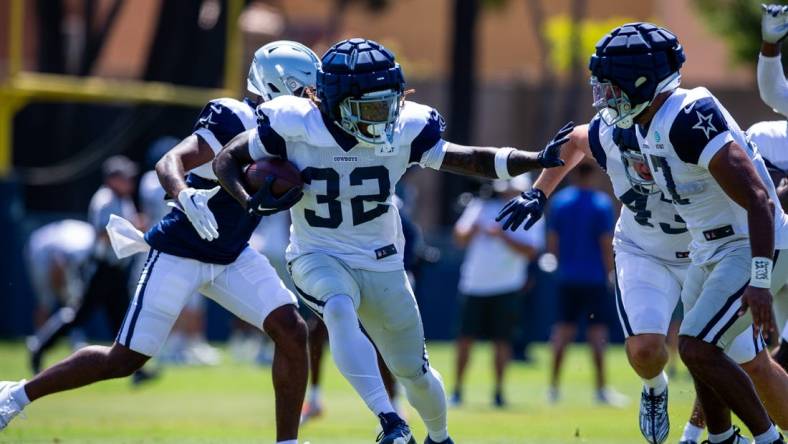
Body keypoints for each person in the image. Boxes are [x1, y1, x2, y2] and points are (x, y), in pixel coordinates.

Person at [213, 37, 572, 444]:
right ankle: (390, 421)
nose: (383, 116)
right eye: (370, 107)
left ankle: (439, 437)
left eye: (388, 102)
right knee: (338, 309)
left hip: (382, 260)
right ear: (335, 101)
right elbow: (226, 158)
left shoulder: (406, 127)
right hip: (317, 252)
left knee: (414, 373)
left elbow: (470, 159)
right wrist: (248, 201)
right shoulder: (292, 122)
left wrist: (533, 158)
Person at [0, 40, 321, 444]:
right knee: (124, 359)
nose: (312, 100)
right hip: (181, 251)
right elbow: (170, 162)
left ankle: (287, 443)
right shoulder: (234, 116)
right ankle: (13, 396)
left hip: (232, 253)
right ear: (277, 85)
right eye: (305, 90)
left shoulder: (294, 133)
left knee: (291, 330)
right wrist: (185, 194)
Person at [497, 114, 788, 444]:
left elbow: (757, 194)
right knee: (651, 350)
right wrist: (540, 192)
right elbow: (576, 139)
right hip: (645, 250)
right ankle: (657, 390)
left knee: (746, 361)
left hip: (705, 250)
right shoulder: (613, 128)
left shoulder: (690, 126)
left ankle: (718, 437)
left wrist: (759, 273)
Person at [581, 22, 784, 443]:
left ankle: (766, 439)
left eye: (612, 87)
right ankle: (720, 437)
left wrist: (761, 281)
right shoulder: (642, 122)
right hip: (708, 249)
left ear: (642, 81)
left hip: (752, 243)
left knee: (696, 345)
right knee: (698, 352)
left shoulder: (688, 117)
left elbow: (760, 200)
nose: (606, 97)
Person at [27, 156, 142, 375]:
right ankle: (39, 346)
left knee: (123, 319)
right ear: (112, 179)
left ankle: (136, 370)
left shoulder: (123, 199)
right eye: (125, 177)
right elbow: (102, 233)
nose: (130, 181)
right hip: (102, 268)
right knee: (78, 315)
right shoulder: (105, 199)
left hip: (115, 269)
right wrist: (133, 234)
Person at [451, 176, 542, 408]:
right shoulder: (480, 206)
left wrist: (501, 235)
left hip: (507, 285)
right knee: (465, 339)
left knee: (502, 341)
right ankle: (457, 390)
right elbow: (459, 237)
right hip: (474, 284)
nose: (507, 194)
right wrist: (473, 229)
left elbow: (531, 251)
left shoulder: (531, 212)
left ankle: (499, 392)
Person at [543, 160, 625, 407]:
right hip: (594, 279)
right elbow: (604, 243)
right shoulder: (601, 204)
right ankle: (601, 389)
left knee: (562, 332)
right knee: (597, 333)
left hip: (567, 278)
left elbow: (552, 240)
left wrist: (558, 263)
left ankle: (553, 388)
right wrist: (611, 273)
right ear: (593, 176)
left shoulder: (560, 202)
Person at [24, 219, 95, 343]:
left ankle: (73, 339)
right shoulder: (85, 245)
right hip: (40, 254)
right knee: (50, 303)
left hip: (44, 248)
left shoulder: (88, 236)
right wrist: (61, 291)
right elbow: (58, 263)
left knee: (69, 303)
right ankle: (39, 343)